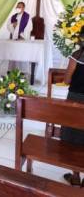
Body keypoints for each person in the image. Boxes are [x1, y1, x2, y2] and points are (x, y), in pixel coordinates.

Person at [61, 26, 84, 187]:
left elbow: (67, 80)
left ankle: (75, 176)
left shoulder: (77, 55)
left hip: (75, 100)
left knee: (73, 137)